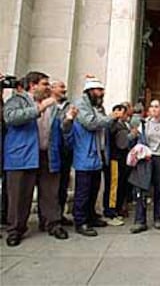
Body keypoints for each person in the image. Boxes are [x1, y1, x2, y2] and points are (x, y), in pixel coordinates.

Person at [3, 71, 73, 246]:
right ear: (33, 85)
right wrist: (39, 108)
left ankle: (52, 223)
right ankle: (15, 229)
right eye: (44, 84)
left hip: (47, 154)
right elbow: (10, 118)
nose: (48, 88)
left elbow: (59, 129)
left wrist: (68, 121)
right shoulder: (17, 100)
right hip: (22, 154)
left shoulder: (53, 106)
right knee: (19, 194)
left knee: (50, 192)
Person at [69, 75, 122, 237]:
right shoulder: (81, 105)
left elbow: (102, 123)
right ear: (90, 91)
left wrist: (108, 119)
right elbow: (91, 123)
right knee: (83, 191)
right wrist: (111, 117)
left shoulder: (97, 107)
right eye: (99, 90)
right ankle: (80, 221)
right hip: (85, 154)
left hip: (97, 156)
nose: (102, 93)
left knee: (93, 190)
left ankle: (91, 217)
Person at [130, 99, 160, 233]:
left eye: (157, 107)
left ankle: (158, 218)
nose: (154, 109)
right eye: (152, 106)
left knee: (158, 189)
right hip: (145, 158)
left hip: (159, 158)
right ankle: (140, 221)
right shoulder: (143, 123)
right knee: (141, 189)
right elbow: (137, 140)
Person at [50, 80, 74, 226]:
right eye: (61, 87)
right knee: (50, 185)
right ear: (53, 89)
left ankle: (59, 214)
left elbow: (67, 127)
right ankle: (49, 216)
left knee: (63, 184)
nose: (64, 90)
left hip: (65, 149)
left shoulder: (68, 106)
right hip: (51, 149)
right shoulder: (47, 104)